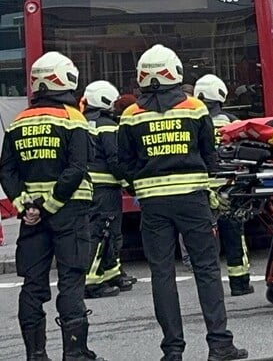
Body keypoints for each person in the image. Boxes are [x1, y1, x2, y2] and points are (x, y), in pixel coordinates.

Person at [118, 45, 247, 361]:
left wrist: (143, 185)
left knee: (162, 274)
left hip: (153, 205)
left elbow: (124, 163)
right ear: (174, 72)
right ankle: (219, 344)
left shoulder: (130, 114)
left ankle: (172, 351)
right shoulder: (194, 108)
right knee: (206, 270)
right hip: (192, 201)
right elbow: (209, 155)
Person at [0, 52, 103, 361]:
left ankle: (36, 354)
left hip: (32, 217)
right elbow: (77, 168)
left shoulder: (19, 122)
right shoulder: (73, 118)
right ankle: (75, 352)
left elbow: (6, 170)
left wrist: (26, 205)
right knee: (71, 278)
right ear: (66, 79)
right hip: (69, 211)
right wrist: (51, 204)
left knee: (32, 284)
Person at [194, 74, 254, 298]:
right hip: (228, 186)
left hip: (201, 187)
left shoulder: (193, 119)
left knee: (203, 238)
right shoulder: (231, 121)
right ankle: (239, 283)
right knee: (234, 234)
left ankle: (209, 287)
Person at [83, 80, 136, 300]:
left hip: (88, 187)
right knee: (104, 233)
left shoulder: (82, 122)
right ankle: (92, 282)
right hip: (105, 188)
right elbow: (116, 160)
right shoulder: (107, 125)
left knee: (105, 232)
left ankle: (112, 273)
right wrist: (130, 184)